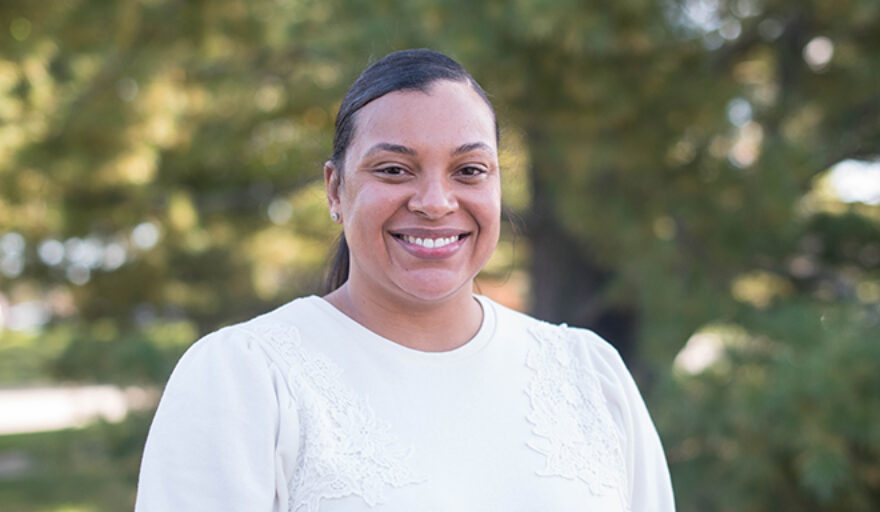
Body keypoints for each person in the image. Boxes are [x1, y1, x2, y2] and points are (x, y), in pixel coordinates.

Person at [135, 49, 675, 511]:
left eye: (469, 171)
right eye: (394, 169)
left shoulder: (588, 374)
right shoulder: (245, 376)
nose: (436, 203)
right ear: (334, 189)